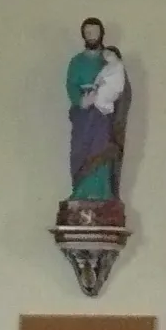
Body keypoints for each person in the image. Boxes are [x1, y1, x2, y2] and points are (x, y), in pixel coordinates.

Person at [67, 16, 130, 203]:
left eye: (94, 32)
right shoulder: (76, 61)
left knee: (101, 148)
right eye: (87, 33)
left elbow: (119, 86)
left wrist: (105, 98)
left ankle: (102, 193)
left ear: (101, 34)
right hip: (83, 114)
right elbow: (71, 85)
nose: (91, 36)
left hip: (103, 115)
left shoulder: (109, 59)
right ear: (83, 36)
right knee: (80, 150)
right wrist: (81, 100)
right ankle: (81, 191)